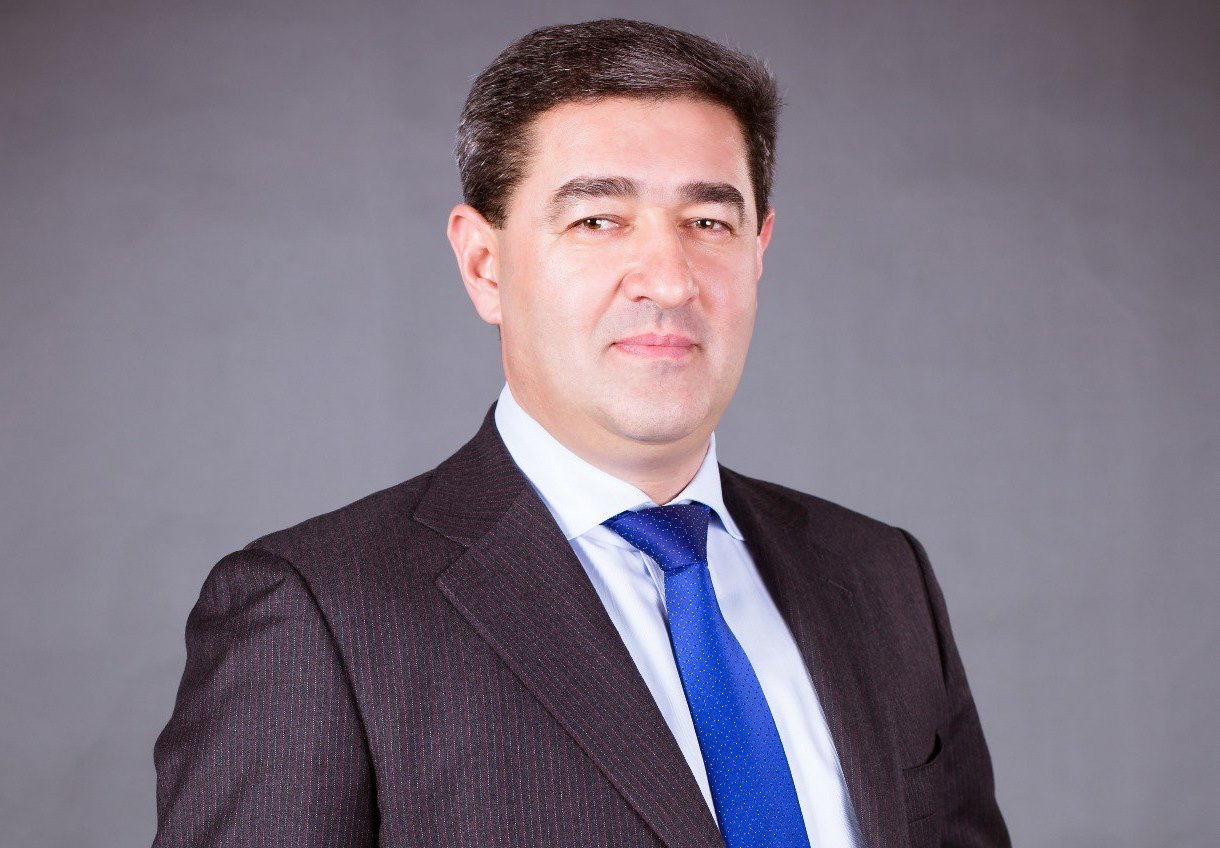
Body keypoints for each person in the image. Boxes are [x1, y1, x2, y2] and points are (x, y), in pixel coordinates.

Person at [153, 19, 1010, 848]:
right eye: (597, 220)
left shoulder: (880, 576)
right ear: (484, 265)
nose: (668, 280)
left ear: (759, 250)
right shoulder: (321, 614)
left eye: (709, 222)